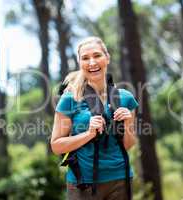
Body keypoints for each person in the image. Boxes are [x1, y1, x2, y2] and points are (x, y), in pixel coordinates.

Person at [50, 36, 139, 200]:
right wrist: (89, 134)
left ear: (107, 58)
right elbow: (56, 146)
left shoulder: (125, 98)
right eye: (85, 58)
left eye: (97, 55)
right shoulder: (70, 99)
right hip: (83, 183)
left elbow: (128, 144)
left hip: (121, 179)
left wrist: (127, 124)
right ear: (80, 63)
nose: (92, 62)